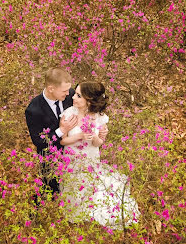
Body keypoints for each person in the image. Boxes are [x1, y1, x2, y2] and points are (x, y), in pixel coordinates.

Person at [59, 81, 140, 230]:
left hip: (90, 157)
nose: (73, 98)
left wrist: (95, 138)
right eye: (75, 94)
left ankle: (88, 209)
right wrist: (80, 136)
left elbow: (98, 143)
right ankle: (72, 213)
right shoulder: (69, 114)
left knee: (88, 185)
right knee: (73, 186)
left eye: (78, 96)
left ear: (89, 100)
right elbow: (63, 140)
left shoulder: (100, 118)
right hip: (71, 158)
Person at [25, 67, 78, 196]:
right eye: (64, 91)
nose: (68, 94)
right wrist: (61, 130)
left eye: (68, 90)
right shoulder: (33, 110)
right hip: (51, 159)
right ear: (51, 88)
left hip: (74, 153)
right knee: (52, 192)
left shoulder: (70, 94)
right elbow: (38, 141)